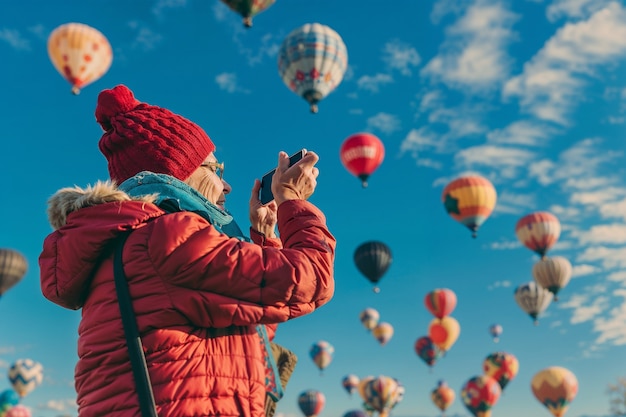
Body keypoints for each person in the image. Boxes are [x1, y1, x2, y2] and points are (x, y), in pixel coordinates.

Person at [39, 84, 336, 417]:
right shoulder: (169, 238)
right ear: (179, 174)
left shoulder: (127, 243)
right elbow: (309, 280)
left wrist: (265, 235)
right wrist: (292, 202)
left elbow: (247, 316)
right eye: (215, 169)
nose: (227, 185)